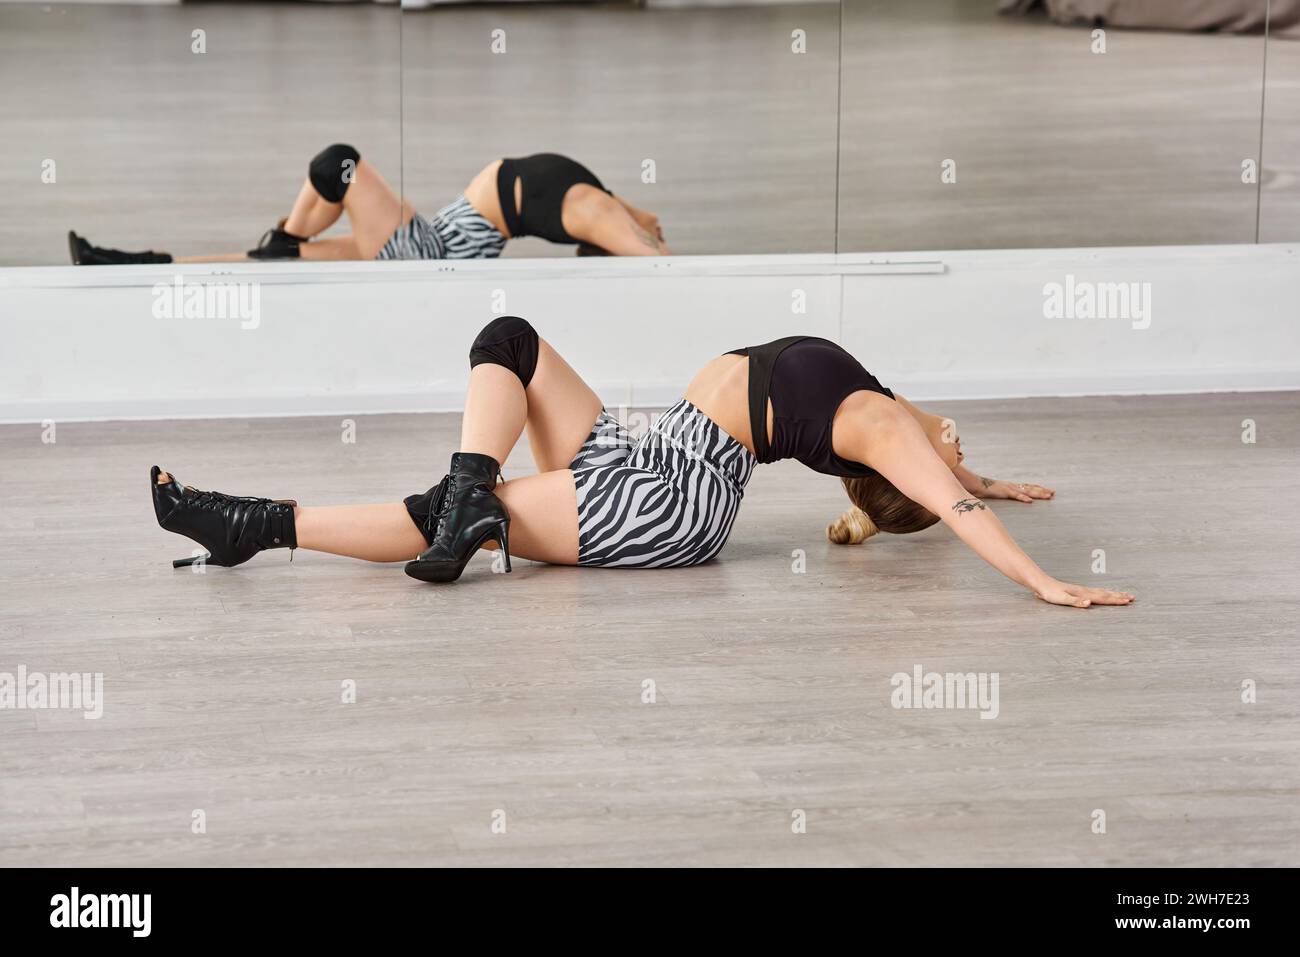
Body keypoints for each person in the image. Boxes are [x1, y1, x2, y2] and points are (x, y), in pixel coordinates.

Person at [150, 316, 1134, 608]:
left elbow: (951, 512)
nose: (955, 450)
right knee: (510, 339)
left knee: (439, 507)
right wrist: (987, 476)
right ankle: (469, 501)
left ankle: (248, 526)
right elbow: (954, 477)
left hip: (674, 503)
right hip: (644, 446)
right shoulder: (897, 413)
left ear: (892, 477)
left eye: (947, 459)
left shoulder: (881, 433)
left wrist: (1040, 579)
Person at [70, 148, 669, 265]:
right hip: (427, 234)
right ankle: (125, 261)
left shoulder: (592, 210)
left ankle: (288, 234)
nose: (652, 225)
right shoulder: (606, 200)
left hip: (428, 250)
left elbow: (660, 262)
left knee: (341, 165)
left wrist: (649, 245)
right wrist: (643, 223)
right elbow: (649, 229)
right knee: (266, 263)